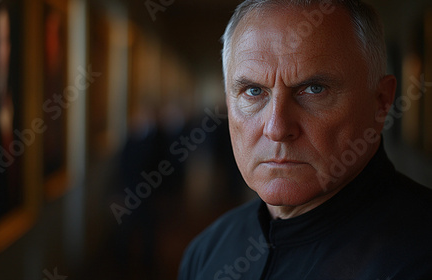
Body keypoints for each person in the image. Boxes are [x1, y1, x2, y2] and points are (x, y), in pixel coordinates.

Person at [178, 0, 432, 279]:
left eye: (314, 89)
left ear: (381, 101)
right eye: (253, 91)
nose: (276, 128)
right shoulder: (205, 253)